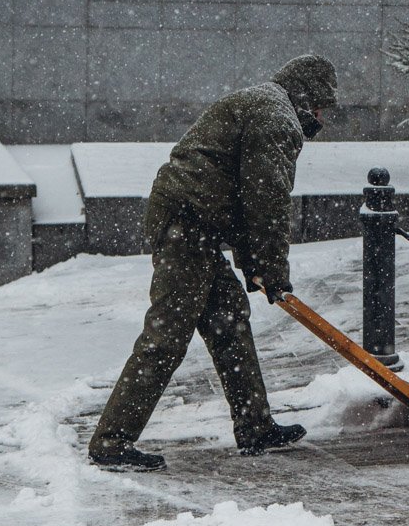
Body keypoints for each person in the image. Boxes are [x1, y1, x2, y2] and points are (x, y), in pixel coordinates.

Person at [88, 55, 338, 471]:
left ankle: (255, 425)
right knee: (166, 336)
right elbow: (266, 200)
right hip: (187, 226)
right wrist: (273, 270)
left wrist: (253, 265)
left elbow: (243, 196)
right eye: (319, 107)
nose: (320, 118)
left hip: (192, 222)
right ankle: (111, 442)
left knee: (229, 319)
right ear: (305, 95)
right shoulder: (277, 118)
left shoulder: (262, 105)